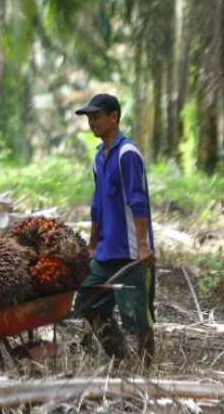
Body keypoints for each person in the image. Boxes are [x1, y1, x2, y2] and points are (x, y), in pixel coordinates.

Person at [73, 93, 156, 367]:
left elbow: (138, 200)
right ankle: (118, 356)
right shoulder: (99, 157)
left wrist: (143, 245)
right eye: (89, 118)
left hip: (131, 250)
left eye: (96, 117)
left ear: (114, 117)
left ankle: (146, 368)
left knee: (136, 315)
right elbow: (98, 203)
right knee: (86, 302)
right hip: (106, 250)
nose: (92, 123)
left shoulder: (127, 154)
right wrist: (93, 243)